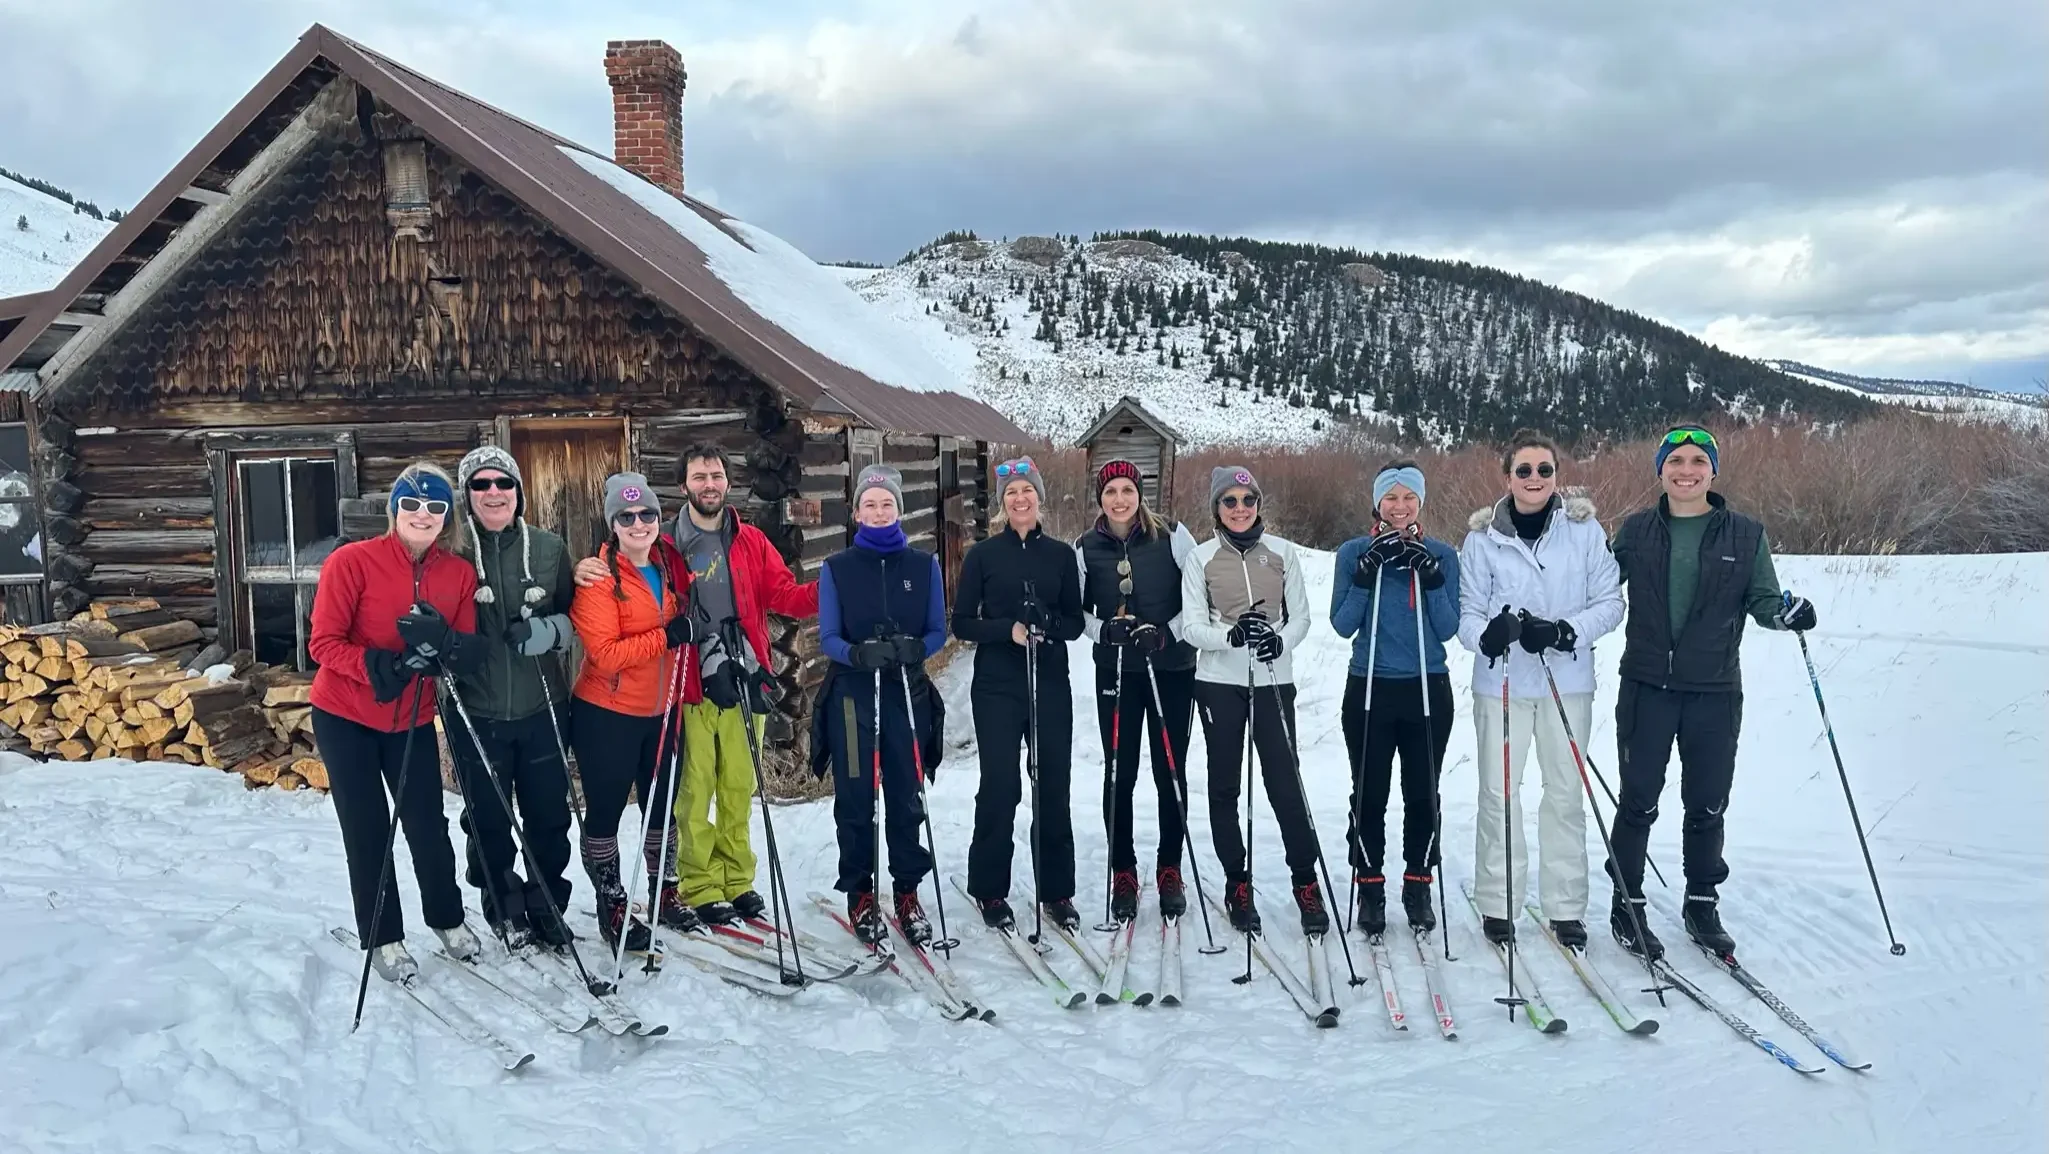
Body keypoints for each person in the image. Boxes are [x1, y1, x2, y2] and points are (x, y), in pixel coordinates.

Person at [574, 445, 817, 926]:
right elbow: (618, 563)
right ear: (683, 485)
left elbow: (784, 594)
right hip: (687, 683)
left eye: (717, 474)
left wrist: (833, 588)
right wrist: (583, 567)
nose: (709, 483)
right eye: (699, 475)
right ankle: (698, 884)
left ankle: (737, 879)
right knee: (694, 788)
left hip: (746, 675)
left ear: (728, 482)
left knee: (738, 785)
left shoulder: (750, 541)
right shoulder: (666, 547)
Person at [1604, 425, 1818, 959]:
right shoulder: (1636, 531)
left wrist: (1788, 613)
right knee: (1637, 802)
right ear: (1660, 469)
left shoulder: (1745, 535)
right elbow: (1594, 586)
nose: (1686, 469)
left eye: (1698, 460)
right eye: (1675, 460)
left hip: (1714, 690)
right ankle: (1626, 901)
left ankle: (1701, 901)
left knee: (1706, 804)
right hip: (1647, 687)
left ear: (1713, 471)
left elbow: (1765, 599)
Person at [308, 462, 485, 983]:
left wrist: (443, 648)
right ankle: (383, 936)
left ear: (447, 516)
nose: (422, 515)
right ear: (393, 511)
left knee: (427, 825)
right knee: (366, 829)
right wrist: (380, 666)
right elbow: (322, 644)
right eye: (411, 505)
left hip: (411, 717)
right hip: (346, 714)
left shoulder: (457, 572)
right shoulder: (352, 562)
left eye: (435, 507)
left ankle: (448, 919)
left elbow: (465, 644)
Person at [1457, 430, 1624, 949]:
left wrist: (1564, 630)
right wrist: (1488, 635)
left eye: (1544, 470)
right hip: (1501, 684)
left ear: (1557, 476)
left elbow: (1610, 603)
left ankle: (1566, 905)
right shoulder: (1482, 539)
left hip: (1566, 680)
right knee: (1498, 794)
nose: (1534, 479)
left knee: (1565, 793)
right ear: (1507, 477)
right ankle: (1498, 901)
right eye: (1524, 470)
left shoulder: (1584, 531)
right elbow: (1468, 614)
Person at [440, 446, 579, 950]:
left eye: (503, 483)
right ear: (467, 495)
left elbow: (575, 618)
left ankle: (546, 905)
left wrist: (546, 631)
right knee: (488, 819)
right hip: (474, 710)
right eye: (481, 484)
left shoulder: (547, 547)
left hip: (542, 706)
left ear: (518, 492)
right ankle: (502, 902)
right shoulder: (448, 553)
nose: (493, 492)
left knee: (548, 816)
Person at [1180, 466, 1321, 935]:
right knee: (1224, 785)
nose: (1240, 508)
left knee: (1284, 783)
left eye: (1248, 499)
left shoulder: (1282, 553)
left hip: (1273, 681)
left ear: (1259, 504)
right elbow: (1191, 627)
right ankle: (1236, 881)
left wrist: (1278, 642)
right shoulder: (1200, 558)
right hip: (1219, 682)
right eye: (1230, 501)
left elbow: (1299, 618)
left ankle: (1305, 880)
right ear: (1216, 509)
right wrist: (1231, 635)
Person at [811, 465, 948, 945]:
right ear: (856, 514)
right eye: (869, 504)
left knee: (906, 794)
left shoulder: (922, 565)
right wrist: (855, 653)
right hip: (852, 691)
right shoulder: (837, 567)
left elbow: (938, 629)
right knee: (856, 797)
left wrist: (918, 649)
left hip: (905, 691)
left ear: (899, 510)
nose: (878, 511)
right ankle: (861, 893)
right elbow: (827, 636)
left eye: (886, 503)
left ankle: (907, 891)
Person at [953, 456, 1085, 931]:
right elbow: (962, 621)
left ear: (1039, 498)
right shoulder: (983, 556)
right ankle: (990, 887)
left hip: (1048, 681)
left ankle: (1057, 891)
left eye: (1027, 490)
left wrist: (1047, 623)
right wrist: (1004, 629)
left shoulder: (1061, 556)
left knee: (1052, 785)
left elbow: (1074, 621)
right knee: (1001, 786)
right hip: (997, 684)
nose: (1020, 499)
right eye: (1011, 493)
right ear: (1002, 503)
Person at [1329, 460, 1460, 936]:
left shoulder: (1442, 554)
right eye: (1391, 498)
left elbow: (1448, 627)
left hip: (1427, 686)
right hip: (1369, 686)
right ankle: (1370, 883)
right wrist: (1366, 576)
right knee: (1370, 791)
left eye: (1409, 498)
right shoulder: (1353, 552)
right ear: (1377, 502)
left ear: (1420, 503)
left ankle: (1418, 882)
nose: (1400, 508)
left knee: (1422, 790)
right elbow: (1342, 624)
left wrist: (1432, 580)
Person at [568, 472, 695, 952]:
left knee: (661, 808)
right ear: (612, 524)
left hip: (663, 710)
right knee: (605, 810)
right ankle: (612, 900)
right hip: (608, 713)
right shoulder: (598, 580)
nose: (639, 523)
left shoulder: (669, 566)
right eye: (627, 516)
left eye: (647, 514)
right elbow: (605, 654)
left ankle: (664, 891)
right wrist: (667, 636)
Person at [1074, 458, 1199, 923]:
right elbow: (1077, 612)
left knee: (1170, 768)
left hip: (1171, 667)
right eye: (1111, 492)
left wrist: (1167, 632)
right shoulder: (1085, 548)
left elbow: (1197, 598)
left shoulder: (1172, 537)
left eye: (1127, 490)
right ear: (1100, 498)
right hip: (1117, 670)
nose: (1119, 499)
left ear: (1139, 494)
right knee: (1119, 771)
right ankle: (1122, 870)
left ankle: (1170, 868)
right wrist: (1104, 631)